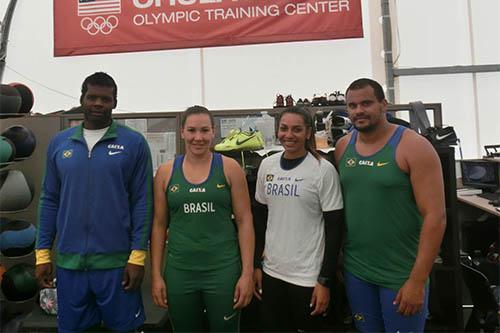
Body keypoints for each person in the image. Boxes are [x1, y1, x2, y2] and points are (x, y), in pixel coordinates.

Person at [35, 72, 153, 332]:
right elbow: (49, 200)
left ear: (114, 102)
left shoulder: (133, 144)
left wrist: (137, 257)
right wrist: (42, 254)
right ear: (82, 99)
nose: (98, 103)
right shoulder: (59, 143)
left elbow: (143, 203)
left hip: (117, 265)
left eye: (105, 98)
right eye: (92, 97)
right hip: (69, 265)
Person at [334, 78, 446, 332]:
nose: (359, 110)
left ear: (384, 104)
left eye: (366, 103)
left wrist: (417, 279)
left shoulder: (414, 147)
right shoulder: (343, 147)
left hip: (401, 273)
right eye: (352, 106)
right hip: (357, 270)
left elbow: (435, 217)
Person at [150, 105, 254, 332]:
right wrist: (156, 275)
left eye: (204, 131)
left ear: (213, 132)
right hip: (180, 272)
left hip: (223, 271)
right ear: (182, 132)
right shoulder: (166, 172)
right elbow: (158, 225)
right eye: (192, 130)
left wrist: (246, 274)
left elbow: (245, 222)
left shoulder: (229, 168)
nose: (198, 137)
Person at [253, 106, 344, 332]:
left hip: (307, 277)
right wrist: (256, 265)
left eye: (297, 129)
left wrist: (325, 281)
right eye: (284, 128)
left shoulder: (323, 170)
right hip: (272, 272)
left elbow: (335, 230)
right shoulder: (267, 165)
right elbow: (260, 219)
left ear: (308, 133)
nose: (289, 135)